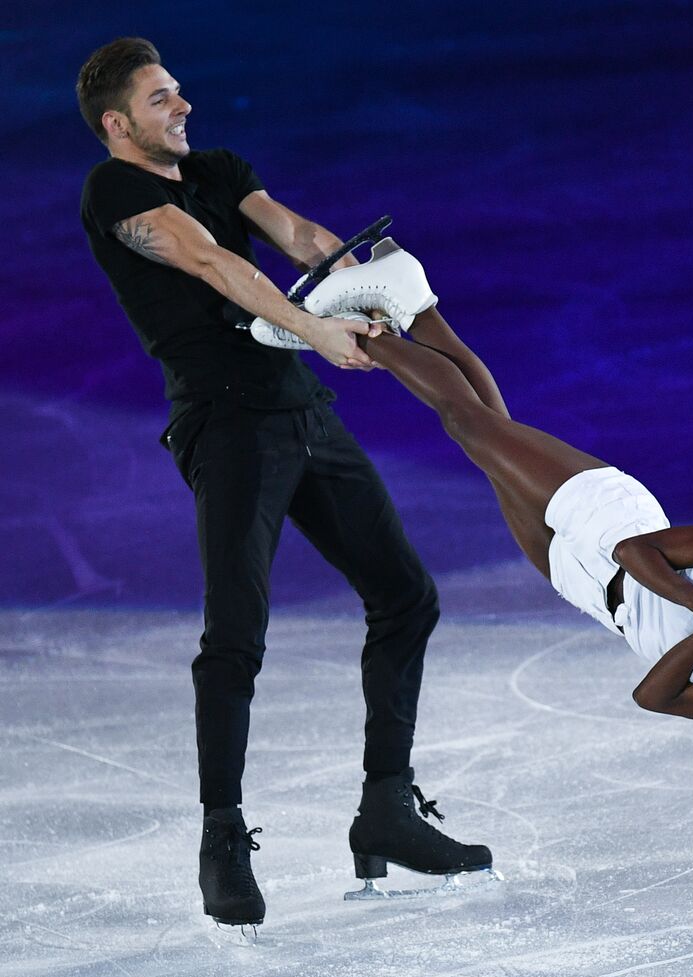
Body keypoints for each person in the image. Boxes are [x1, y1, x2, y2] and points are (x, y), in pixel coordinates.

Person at [76, 38, 490, 930]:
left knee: (405, 596)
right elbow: (213, 264)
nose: (182, 106)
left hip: (301, 412)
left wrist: (353, 279)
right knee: (236, 633)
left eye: (178, 91)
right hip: (225, 426)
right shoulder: (115, 193)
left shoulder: (217, 169)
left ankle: (387, 808)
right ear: (117, 123)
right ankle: (222, 838)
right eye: (159, 99)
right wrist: (313, 326)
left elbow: (294, 234)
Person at [285, 244, 693, 722]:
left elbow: (653, 697)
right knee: (470, 427)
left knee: (486, 430)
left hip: (579, 583)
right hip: (606, 517)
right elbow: (634, 551)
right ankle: (353, 330)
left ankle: (411, 300)